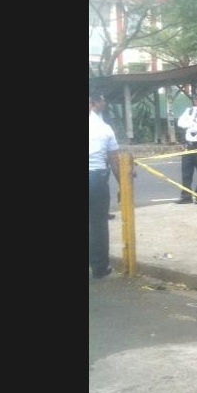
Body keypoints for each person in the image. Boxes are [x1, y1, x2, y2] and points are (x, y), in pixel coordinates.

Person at [89, 93, 121, 280]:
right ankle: (99, 267)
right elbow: (115, 161)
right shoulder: (104, 128)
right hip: (96, 178)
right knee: (98, 223)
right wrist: (122, 185)